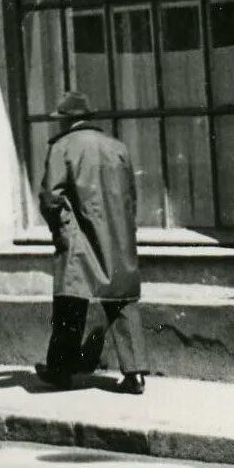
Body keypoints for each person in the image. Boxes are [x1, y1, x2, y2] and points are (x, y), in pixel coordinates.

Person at [34, 92, 145, 394]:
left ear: (68, 121)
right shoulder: (118, 147)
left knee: (70, 299)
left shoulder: (63, 147)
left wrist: (61, 230)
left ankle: (60, 370)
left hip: (80, 236)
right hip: (118, 237)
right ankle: (135, 374)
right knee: (121, 299)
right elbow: (131, 196)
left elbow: (50, 197)